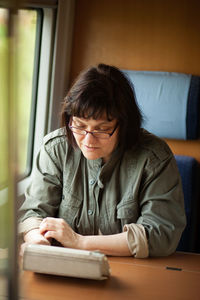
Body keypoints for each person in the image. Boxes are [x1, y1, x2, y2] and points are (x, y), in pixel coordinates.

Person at [19, 63, 186, 258]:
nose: (88, 140)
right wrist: (37, 241)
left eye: (102, 129)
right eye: (80, 125)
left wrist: (80, 242)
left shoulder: (154, 158)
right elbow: (34, 213)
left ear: (124, 125)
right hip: (65, 265)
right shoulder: (55, 148)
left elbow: (160, 234)